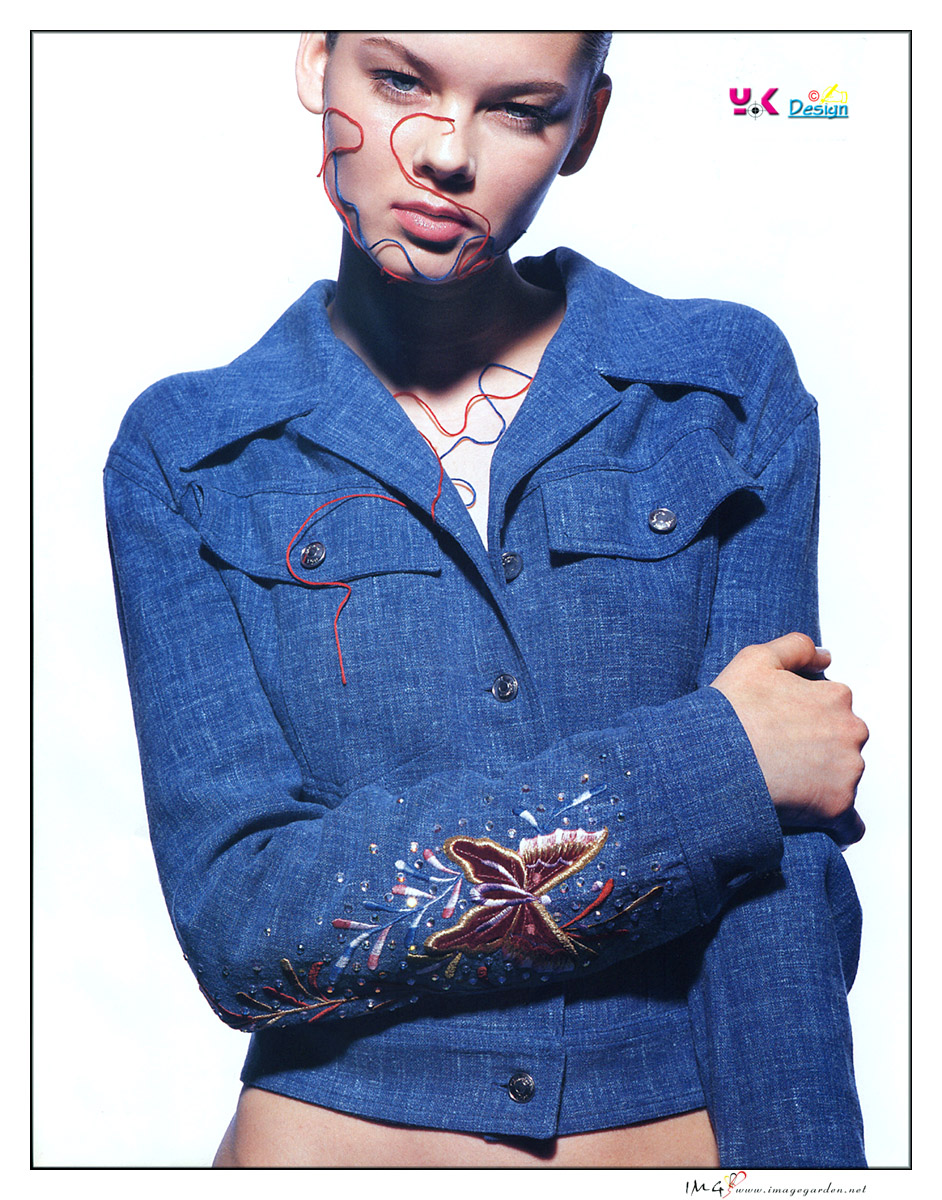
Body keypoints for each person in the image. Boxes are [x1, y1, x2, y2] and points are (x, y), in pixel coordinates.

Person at [104, 32, 869, 1168]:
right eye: (399, 80)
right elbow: (245, 930)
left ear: (585, 124)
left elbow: (779, 889)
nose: (445, 152)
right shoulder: (190, 453)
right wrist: (717, 770)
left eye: (519, 108)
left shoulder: (718, 390)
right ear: (316, 63)